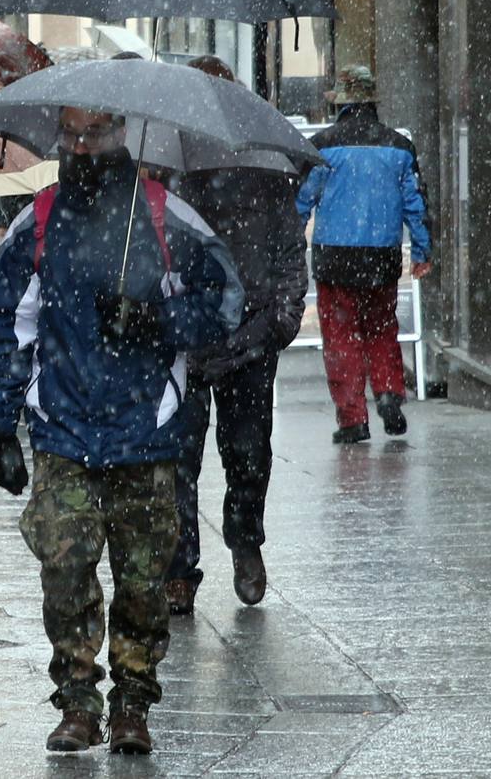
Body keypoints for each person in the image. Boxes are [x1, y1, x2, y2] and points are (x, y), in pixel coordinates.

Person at [0, 106, 244, 755]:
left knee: (143, 583)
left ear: (121, 132)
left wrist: (160, 319)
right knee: (65, 573)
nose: (80, 144)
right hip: (62, 430)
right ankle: (76, 702)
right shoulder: (38, 219)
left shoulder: (167, 218)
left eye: (93, 132)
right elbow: (4, 321)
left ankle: (132, 702)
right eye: (70, 132)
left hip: (145, 431)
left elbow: (228, 302)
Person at [163, 55, 309, 616]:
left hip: (251, 338)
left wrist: (282, 317)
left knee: (248, 454)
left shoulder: (268, 169)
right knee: (179, 460)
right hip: (187, 340)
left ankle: (246, 542)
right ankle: (180, 569)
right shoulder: (168, 170)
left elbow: (289, 250)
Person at [296, 65, 432, 443]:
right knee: (381, 328)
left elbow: (303, 200)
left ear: (340, 103)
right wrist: (422, 250)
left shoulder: (322, 146)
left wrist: (290, 241)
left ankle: (353, 418)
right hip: (382, 254)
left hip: (334, 255)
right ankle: (388, 391)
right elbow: (415, 204)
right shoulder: (399, 147)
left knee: (341, 337)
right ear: (372, 101)